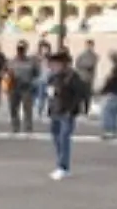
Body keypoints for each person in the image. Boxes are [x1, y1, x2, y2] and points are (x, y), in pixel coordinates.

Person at [47, 51, 89, 181]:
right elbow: (50, 94)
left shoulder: (72, 77)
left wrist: (73, 109)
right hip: (55, 111)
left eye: (55, 64)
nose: (53, 66)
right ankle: (61, 164)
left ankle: (63, 167)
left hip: (66, 112)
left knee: (64, 139)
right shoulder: (53, 77)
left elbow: (81, 94)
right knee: (56, 138)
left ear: (63, 64)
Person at [6, 41, 39, 136]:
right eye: (19, 49)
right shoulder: (11, 61)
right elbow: (5, 72)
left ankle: (28, 128)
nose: (20, 51)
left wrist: (32, 82)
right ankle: (15, 127)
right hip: (14, 87)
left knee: (27, 109)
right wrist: (8, 77)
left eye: (22, 49)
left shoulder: (31, 62)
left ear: (25, 50)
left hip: (26, 87)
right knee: (13, 108)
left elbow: (36, 73)